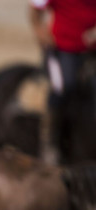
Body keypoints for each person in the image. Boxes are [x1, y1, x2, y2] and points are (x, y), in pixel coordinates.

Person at [29, 0, 96, 164]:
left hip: (91, 51)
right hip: (63, 50)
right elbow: (35, 10)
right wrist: (41, 33)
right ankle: (50, 142)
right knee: (64, 87)